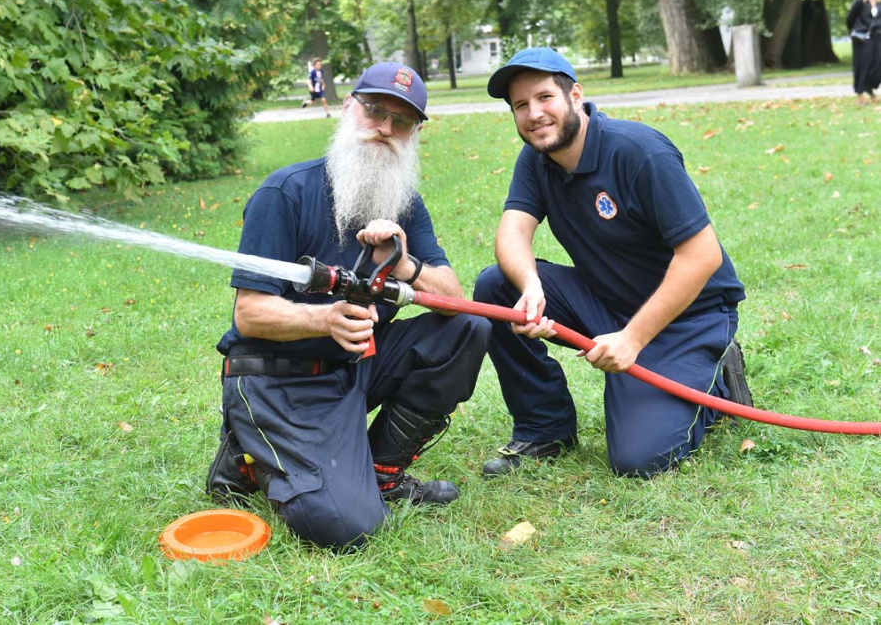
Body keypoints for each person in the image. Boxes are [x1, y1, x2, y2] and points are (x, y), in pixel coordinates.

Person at [207, 62, 490, 548]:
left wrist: (403, 264)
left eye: (402, 121)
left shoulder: (405, 204)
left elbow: (455, 300)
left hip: (354, 367)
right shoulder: (285, 193)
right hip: (278, 378)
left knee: (468, 329)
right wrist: (324, 318)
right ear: (347, 107)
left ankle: (382, 471)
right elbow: (249, 314)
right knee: (345, 526)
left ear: (415, 133)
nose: (385, 128)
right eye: (374, 110)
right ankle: (245, 456)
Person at [472, 47, 751, 479]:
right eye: (520, 105)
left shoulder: (640, 151)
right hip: (607, 301)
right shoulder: (537, 158)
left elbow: (702, 255)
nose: (534, 114)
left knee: (638, 459)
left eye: (544, 97)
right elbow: (512, 232)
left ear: (575, 96)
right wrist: (530, 285)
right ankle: (545, 429)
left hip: (687, 317)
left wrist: (632, 339)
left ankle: (717, 378)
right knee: (497, 287)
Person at [845, 0, 881, 105]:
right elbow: (850, 18)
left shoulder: (879, 1)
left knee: (877, 65)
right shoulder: (861, 0)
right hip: (862, 38)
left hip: (877, 37)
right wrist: (855, 31)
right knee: (862, 66)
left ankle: (869, 87)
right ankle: (860, 94)